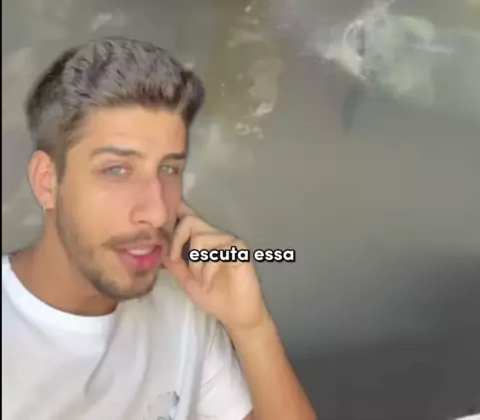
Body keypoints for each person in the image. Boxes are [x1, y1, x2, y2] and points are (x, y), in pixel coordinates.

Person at [2, 37, 316, 420]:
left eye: (169, 169)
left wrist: (252, 328)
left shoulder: (184, 308)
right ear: (47, 182)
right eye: (117, 170)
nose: (155, 212)